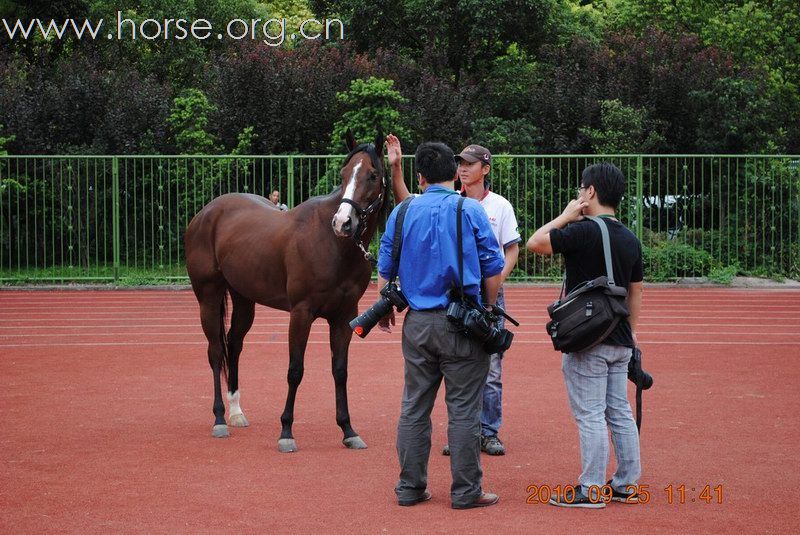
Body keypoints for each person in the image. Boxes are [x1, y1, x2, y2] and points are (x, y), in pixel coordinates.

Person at [376, 141, 505, 509]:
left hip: (416, 323)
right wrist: (490, 308)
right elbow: (493, 270)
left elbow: (384, 273)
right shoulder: (471, 210)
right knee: (464, 408)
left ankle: (410, 488)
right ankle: (466, 491)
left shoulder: (402, 212)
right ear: (454, 173)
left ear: (419, 177)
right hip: (462, 322)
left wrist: (387, 306)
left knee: (414, 406)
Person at [526, 162, 643, 509]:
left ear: (591, 192)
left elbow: (535, 243)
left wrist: (564, 215)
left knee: (590, 414)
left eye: (581, 188)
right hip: (620, 336)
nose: (578, 194)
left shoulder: (583, 231)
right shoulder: (629, 238)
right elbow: (636, 291)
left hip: (587, 338)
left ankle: (590, 489)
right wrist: (630, 335)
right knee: (619, 411)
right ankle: (626, 485)